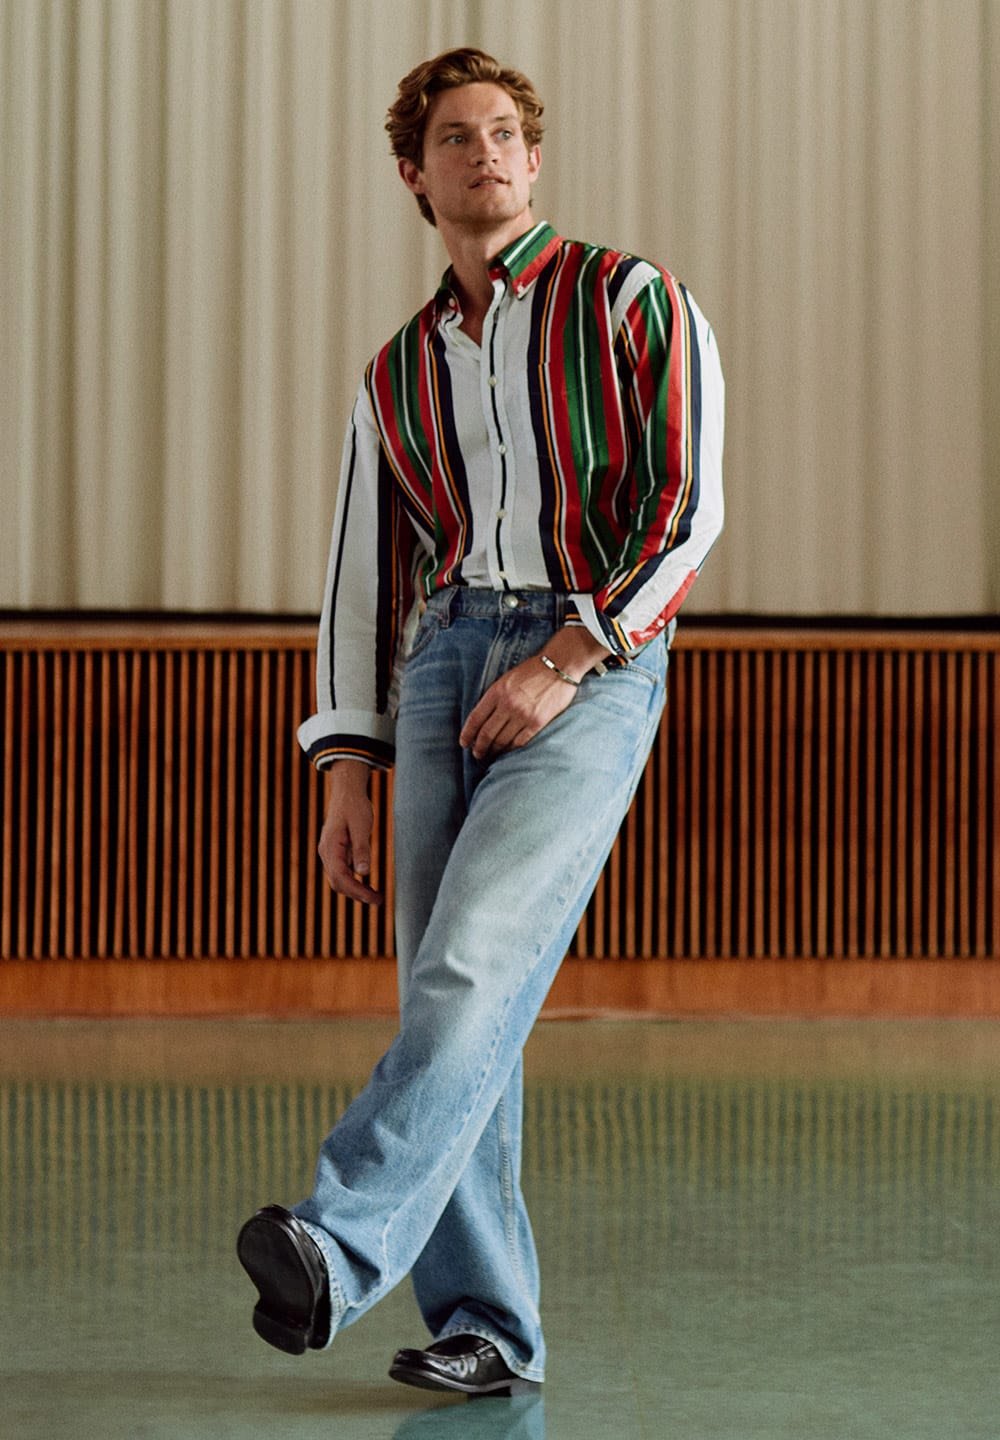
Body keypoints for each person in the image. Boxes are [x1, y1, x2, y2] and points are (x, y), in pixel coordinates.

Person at [237, 45, 724, 1399]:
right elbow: (358, 575)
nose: (488, 152)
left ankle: (333, 1247)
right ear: (416, 172)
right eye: (457, 136)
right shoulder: (397, 372)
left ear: (535, 158)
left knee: (474, 962)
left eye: (508, 132)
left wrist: (568, 659)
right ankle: (490, 1333)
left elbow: (689, 512)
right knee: (463, 997)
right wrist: (347, 765)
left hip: (595, 652)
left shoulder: (632, 300)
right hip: (445, 660)